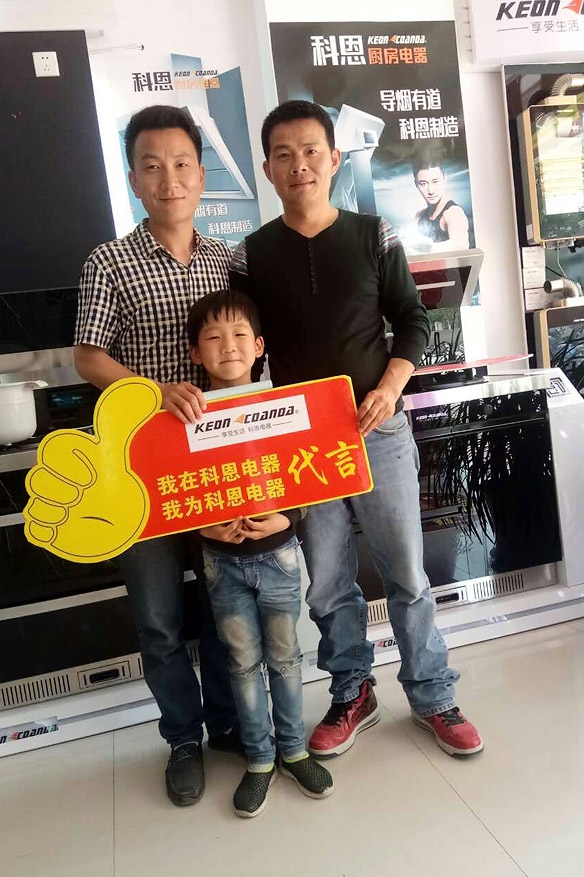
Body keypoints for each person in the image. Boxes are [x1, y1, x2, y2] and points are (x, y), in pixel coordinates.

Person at [229, 100, 483, 759]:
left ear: (335, 158)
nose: (299, 165)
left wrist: (391, 385)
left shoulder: (374, 235)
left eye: (311, 150)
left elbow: (414, 320)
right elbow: (244, 349)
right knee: (325, 581)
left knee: (407, 572)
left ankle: (433, 693)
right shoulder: (251, 255)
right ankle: (352, 691)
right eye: (283, 155)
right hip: (303, 446)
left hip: (380, 429)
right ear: (267, 169)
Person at [73, 105, 242, 807]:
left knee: (227, 600)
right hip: (140, 472)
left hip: (216, 465)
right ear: (134, 178)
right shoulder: (109, 262)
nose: (168, 178)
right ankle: (182, 737)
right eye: (151, 165)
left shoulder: (228, 260)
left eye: (180, 164)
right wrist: (152, 391)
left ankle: (228, 721)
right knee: (158, 616)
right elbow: (88, 356)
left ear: (201, 175)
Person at [186, 288, 334, 818]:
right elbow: (173, 492)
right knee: (243, 663)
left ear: (260, 346)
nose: (228, 346)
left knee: (286, 656)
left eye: (239, 335)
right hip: (220, 563)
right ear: (195, 353)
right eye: (213, 337)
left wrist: (287, 517)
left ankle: (293, 750)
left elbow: (310, 474)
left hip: (279, 555)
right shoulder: (185, 417)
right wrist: (204, 524)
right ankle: (260, 758)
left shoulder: (282, 406)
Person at [413, 150, 470, 252]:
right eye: (423, 184)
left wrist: (428, 248)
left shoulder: (453, 213)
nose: (431, 191)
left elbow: (462, 245)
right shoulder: (419, 216)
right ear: (416, 184)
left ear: (444, 179)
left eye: (435, 182)